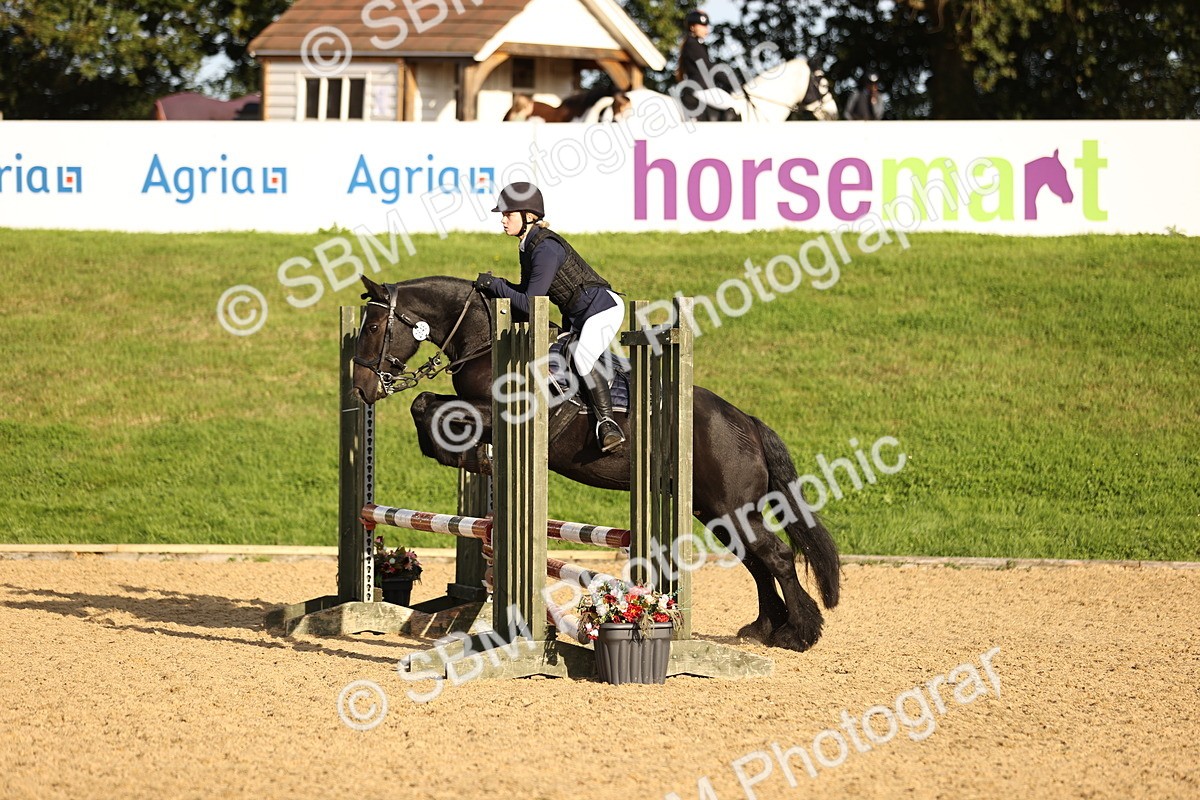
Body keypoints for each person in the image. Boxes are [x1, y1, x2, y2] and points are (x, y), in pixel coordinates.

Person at [474, 182, 626, 453]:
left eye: (508, 214)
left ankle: (607, 424)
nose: (503, 219)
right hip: (580, 316)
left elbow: (532, 304)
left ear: (528, 216)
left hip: (603, 310)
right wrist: (497, 288)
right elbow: (525, 294)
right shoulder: (528, 245)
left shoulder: (545, 249)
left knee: (582, 357)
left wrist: (496, 285)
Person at [675, 9, 739, 122]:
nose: (706, 30)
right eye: (702, 26)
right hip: (699, 88)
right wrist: (732, 83)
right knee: (733, 105)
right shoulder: (692, 44)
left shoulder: (697, 44)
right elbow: (709, 69)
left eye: (706, 26)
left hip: (703, 88)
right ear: (692, 27)